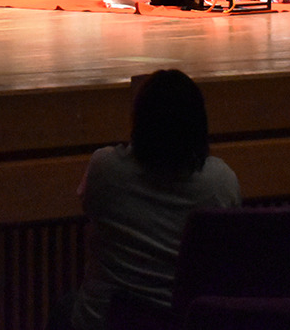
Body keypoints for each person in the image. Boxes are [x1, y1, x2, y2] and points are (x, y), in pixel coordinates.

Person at [61, 69, 241, 330]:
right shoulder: (222, 182)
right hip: (182, 321)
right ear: (199, 124)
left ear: (139, 121)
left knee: (66, 306)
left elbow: (90, 209)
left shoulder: (105, 169)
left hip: (109, 321)